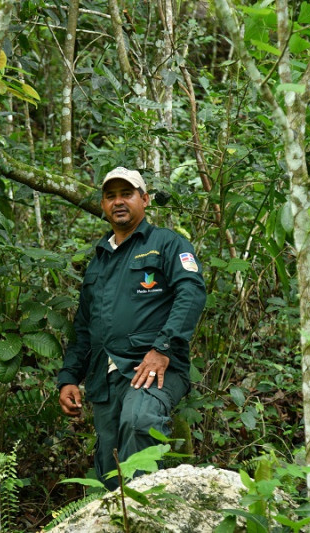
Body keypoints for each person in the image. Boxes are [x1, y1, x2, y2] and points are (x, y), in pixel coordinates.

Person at [58, 166, 206, 490]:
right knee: (109, 461)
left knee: (140, 423)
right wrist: (69, 377)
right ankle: (118, 514)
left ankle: (144, 511)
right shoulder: (99, 259)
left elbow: (191, 293)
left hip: (153, 367)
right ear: (103, 205)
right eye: (110, 196)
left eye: (127, 194)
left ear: (145, 199)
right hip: (105, 377)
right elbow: (84, 326)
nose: (118, 202)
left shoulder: (167, 244)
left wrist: (162, 348)